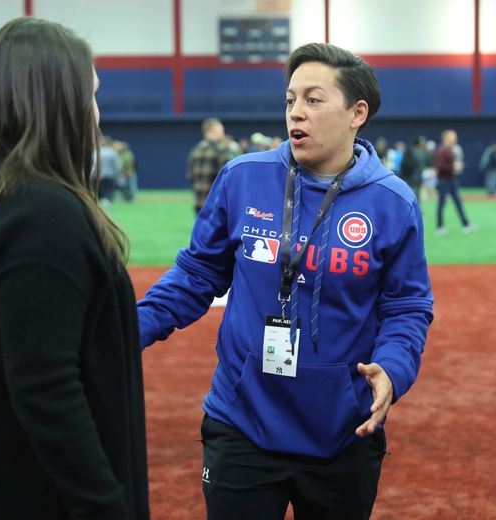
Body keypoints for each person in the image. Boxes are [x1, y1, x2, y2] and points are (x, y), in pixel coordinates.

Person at [138, 42, 433, 519]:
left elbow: (406, 306)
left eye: (314, 100)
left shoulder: (392, 201)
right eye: (291, 100)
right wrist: (131, 327)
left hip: (343, 432)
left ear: (358, 113)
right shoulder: (242, 178)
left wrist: (394, 369)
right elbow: (196, 274)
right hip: (242, 423)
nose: (296, 112)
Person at [0, 17, 149, 519]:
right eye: (89, 96)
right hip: (26, 491)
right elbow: (47, 389)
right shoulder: (42, 213)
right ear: (56, 101)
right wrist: (105, 506)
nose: (96, 117)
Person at [187, 117, 232, 215]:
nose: (223, 134)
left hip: (199, 204)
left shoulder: (195, 150)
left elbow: (190, 177)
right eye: (221, 130)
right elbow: (227, 180)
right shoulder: (221, 150)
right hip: (215, 205)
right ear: (214, 131)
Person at [435, 128, 476, 234]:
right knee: (441, 204)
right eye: (453, 137)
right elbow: (440, 166)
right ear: (446, 138)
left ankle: (465, 224)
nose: (455, 139)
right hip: (444, 181)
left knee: (458, 203)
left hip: (451, 179)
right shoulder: (442, 150)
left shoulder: (450, 150)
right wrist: (453, 166)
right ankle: (440, 227)